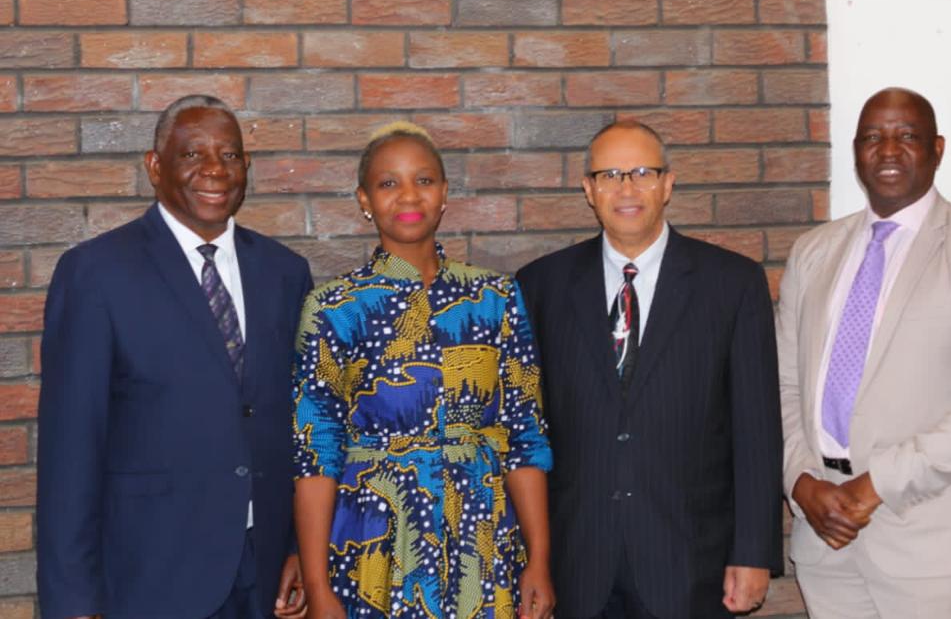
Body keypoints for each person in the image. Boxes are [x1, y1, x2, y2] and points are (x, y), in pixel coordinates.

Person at [36, 95, 313, 619]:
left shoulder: (285, 274)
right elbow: (71, 449)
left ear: (246, 168)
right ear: (155, 166)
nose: (214, 169)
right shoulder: (96, 274)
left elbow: (298, 424)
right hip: (151, 577)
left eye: (230, 155)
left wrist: (298, 546)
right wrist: (73, 600)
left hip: (264, 575)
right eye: (192, 155)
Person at [516, 121, 782, 618]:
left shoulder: (733, 284)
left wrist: (753, 552)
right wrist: (533, 557)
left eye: (642, 172)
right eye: (610, 175)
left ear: (668, 183)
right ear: (589, 189)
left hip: (690, 562)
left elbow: (757, 430)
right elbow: (526, 432)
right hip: (578, 564)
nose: (627, 188)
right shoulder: (540, 286)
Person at [777, 87, 951, 618]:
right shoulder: (813, 252)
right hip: (826, 536)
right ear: (856, 152)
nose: (888, 150)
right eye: (873, 138)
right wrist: (801, 481)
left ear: (937, 148)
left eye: (906, 136)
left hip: (934, 543)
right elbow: (786, 386)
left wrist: (877, 484)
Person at [292, 122, 555, 619]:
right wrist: (317, 584)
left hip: (482, 537)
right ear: (364, 199)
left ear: (444, 194)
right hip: (373, 539)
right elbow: (315, 453)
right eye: (388, 183)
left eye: (424, 180)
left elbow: (524, 435)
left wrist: (538, 560)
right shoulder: (333, 308)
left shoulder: (496, 297)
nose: (408, 195)